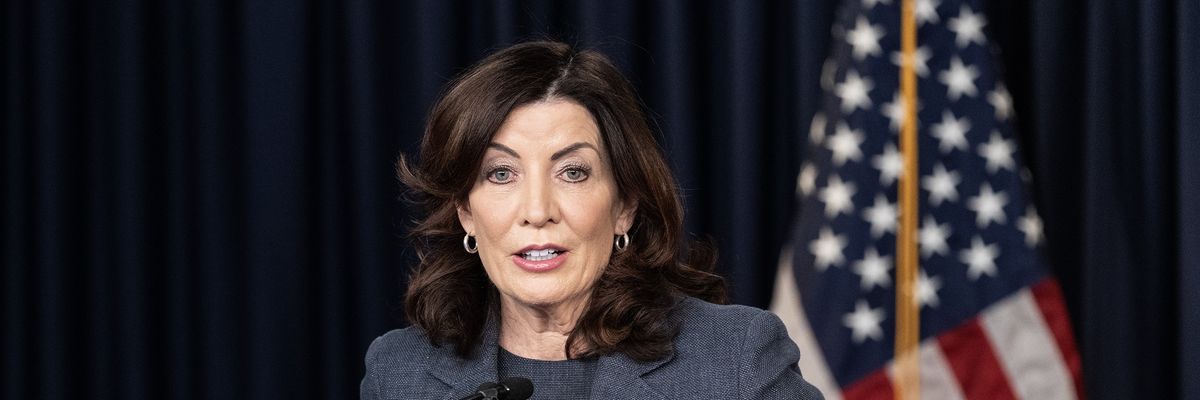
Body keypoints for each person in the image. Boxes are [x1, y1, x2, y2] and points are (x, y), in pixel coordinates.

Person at [361, 40, 824, 400]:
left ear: (625, 205)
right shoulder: (400, 372)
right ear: (466, 211)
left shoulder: (736, 358)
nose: (538, 211)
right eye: (501, 173)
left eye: (573, 172)